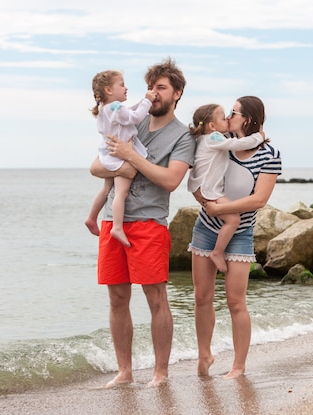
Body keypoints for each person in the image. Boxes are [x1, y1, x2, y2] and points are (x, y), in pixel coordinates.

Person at [89, 58, 195, 387]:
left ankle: (161, 373)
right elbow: (95, 166)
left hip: (149, 223)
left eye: (161, 88)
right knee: (117, 299)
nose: (154, 93)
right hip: (112, 221)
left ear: (177, 93)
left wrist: (130, 158)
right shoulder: (128, 119)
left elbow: (170, 180)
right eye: (151, 87)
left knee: (156, 298)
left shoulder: (183, 137)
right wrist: (122, 166)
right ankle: (124, 372)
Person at [189, 96, 281, 379]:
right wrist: (207, 205)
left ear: (249, 119)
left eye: (234, 112)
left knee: (235, 302)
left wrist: (222, 209)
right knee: (202, 298)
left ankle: (238, 366)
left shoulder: (270, 155)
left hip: (240, 233)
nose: (228, 115)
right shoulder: (220, 143)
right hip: (205, 228)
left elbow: (259, 200)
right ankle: (204, 356)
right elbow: (198, 176)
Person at [187, 103, 266, 273]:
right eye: (224, 117)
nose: (228, 119)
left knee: (231, 219)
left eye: (231, 114)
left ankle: (217, 251)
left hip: (201, 187)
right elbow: (237, 144)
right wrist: (259, 137)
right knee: (234, 220)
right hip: (209, 190)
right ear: (212, 126)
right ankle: (217, 252)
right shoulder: (214, 138)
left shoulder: (204, 138)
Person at [85, 70, 157, 247]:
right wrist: (147, 100)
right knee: (120, 193)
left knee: (106, 189)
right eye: (122, 84)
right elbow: (136, 117)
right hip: (120, 156)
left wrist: (143, 101)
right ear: (109, 90)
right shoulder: (116, 107)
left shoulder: (108, 109)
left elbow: (130, 111)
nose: (126, 88)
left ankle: (91, 218)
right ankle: (117, 227)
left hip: (108, 154)